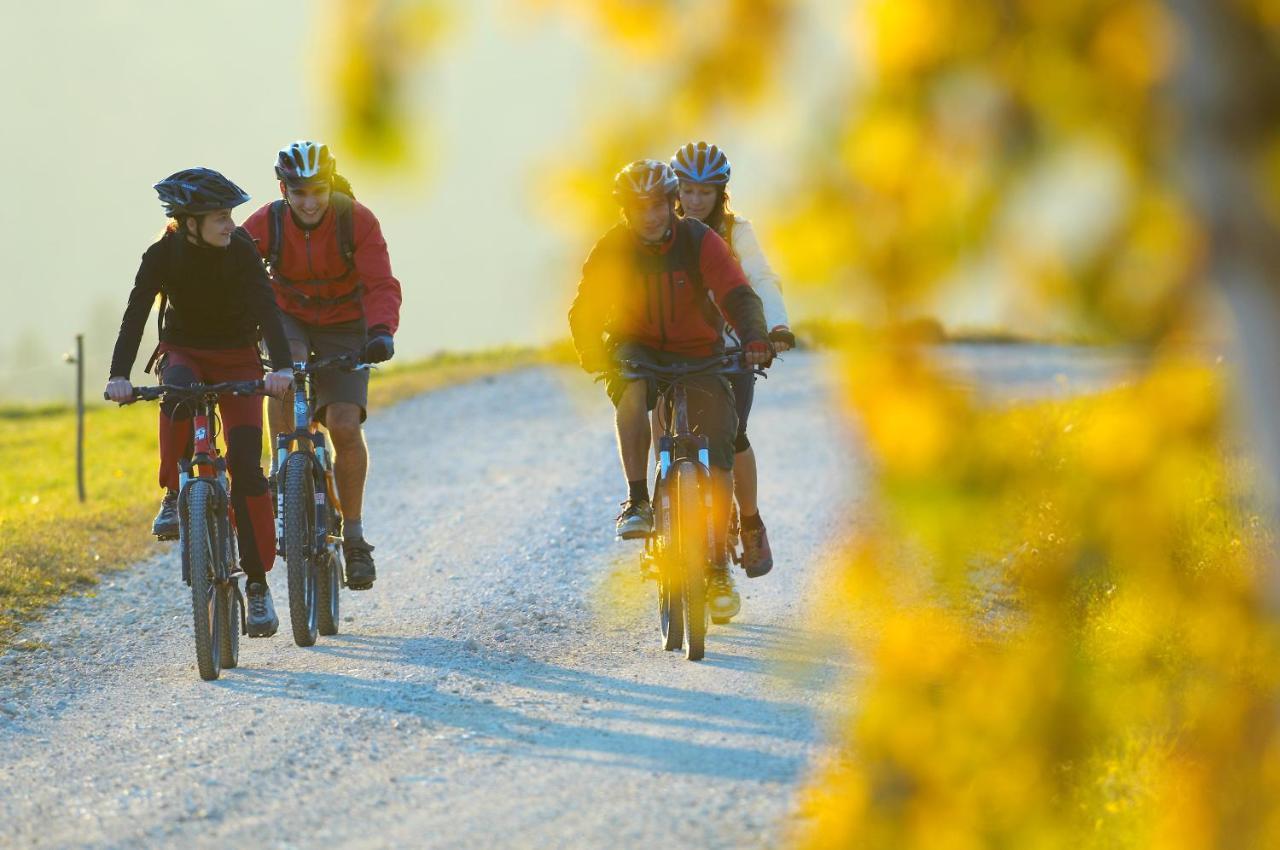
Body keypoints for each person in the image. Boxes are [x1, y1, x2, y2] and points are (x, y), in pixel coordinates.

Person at [568, 159, 772, 621]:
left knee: (718, 450)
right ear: (626, 211)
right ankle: (638, 499)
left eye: (659, 206)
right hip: (638, 350)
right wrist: (590, 351)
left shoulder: (700, 240)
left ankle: (717, 563)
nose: (652, 216)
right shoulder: (613, 248)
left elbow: (736, 292)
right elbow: (586, 306)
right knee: (633, 393)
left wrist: (755, 336)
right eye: (640, 208)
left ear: (670, 203)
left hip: (701, 353)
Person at [105, 168, 295, 638]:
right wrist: (118, 376)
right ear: (189, 222)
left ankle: (256, 586)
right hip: (185, 352)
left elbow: (268, 311)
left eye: (229, 215)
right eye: (219, 218)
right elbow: (135, 314)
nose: (231, 225)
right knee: (177, 395)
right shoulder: (162, 255)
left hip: (238, 359)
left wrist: (283, 368)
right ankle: (174, 494)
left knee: (249, 469)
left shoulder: (243, 252)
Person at [242, 140, 403, 591]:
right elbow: (235, 271)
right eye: (299, 193)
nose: (310, 202)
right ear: (283, 189)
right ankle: (282, 469)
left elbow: (380, 282)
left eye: (318, 191)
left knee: (344, 424)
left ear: (330, 185)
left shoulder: (356, 219)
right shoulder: (267, 222)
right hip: (288, 316)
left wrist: (381, 332)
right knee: (283, 373)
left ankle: (353, 538)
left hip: (346, 323)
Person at [670, 141, 793, 579]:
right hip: (676, 347)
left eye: (705, 192)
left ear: (720, 193)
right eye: (686, 190)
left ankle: (750, 521)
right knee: (663, 422)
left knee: (734, 434)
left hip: (730, 347)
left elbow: (760, 278)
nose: (694, 200)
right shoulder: (661, 231)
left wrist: (774, 329)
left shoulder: (737, 232)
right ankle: (666, 509)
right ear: (675, 191)